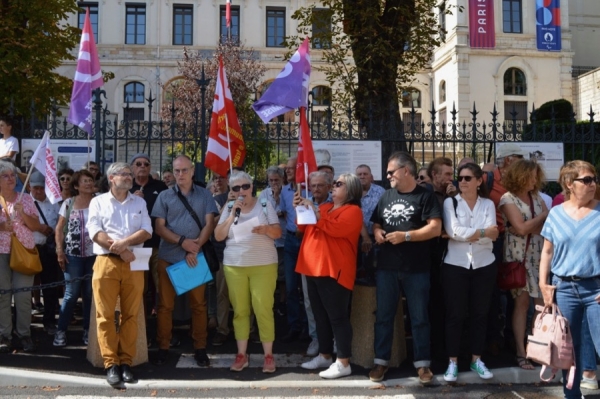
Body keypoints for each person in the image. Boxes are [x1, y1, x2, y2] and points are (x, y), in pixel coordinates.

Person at [369, 151, 442, 384]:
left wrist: (406, 236)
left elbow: (434, 229)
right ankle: (381, 362)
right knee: (384, 316)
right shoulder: (386, 196)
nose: (388, 175)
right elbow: (376, 222)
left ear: (406, 171)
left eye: (391, 171)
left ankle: (423, 365)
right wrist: (378, 232)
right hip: (387, 267)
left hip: (416, 268)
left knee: (419, 317)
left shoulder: (425, 196)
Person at [86, 162, 152, 386]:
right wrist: (122, 250)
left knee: (131, 315)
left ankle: (126, 362)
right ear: (111, 178)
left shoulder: (140, 202)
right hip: (106, 262)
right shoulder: (98, 201)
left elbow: (147, 230)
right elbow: (95, 231)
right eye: (123, 174)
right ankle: (110, 363)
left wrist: (124, 245)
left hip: (133, 264)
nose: (129, 177)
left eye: (129, 174)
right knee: (105, 315)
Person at [539, 160, 600, 399]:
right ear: (568, 183)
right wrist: (544, 284)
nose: (592, 184)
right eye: (586, 180)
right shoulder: (555, 213)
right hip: (563, 288)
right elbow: (547, 251)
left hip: (595, 287)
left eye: (594, 179)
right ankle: (571, 396)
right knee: (566, 350)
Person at [152, 155, 218, 367]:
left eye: (184, 170)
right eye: (176, 171)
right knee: (164, 306)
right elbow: (159, 227)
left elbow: (210, 223)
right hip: (169, 258)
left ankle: (200, 347)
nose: (180, 174)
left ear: (192, 171)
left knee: (199, 306)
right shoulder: (164, 196)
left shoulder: (205, 194)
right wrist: (183, 243)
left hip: (194, 259)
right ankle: (163, 347)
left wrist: (195, 246)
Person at [295, 173, 363, 379]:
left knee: (337, 318)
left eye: (338, 184)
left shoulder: (353, 211)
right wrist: (300, 207)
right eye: (334, 183)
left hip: (334, 271)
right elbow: (302, 226)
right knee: (320, 316)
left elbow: (334, 229)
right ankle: (325, 355)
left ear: (350, 190)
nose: (333, 186)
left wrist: (315, 212)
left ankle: (343, 362)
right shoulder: (324, 208)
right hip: (312, 268)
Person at [214, 171, 281, 373]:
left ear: (252, 187)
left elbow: (278, 232)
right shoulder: (229, 207)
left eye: (245, 186)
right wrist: (232, 213)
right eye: (236, 188)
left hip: (263, 265)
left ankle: (268, 356)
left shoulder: (264, 205)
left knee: (263, 309)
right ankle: (241, 355)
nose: (241, 191)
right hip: (235, 265)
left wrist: (265, 230)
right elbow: (218, 236)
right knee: (240, 311)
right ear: (231, 190)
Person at [441, 163, 499, 382]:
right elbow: (454, 231)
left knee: (480, 314)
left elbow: (494, 233)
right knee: (455, 315)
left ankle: (476, 359)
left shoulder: (488, 205)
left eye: (467, 178)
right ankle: (452, 362)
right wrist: (482, 232)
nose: (462, 182)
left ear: (478, 180)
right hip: (456, 265)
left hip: (484, 264)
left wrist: (472, 234)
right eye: (460, 178)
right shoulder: (450, 203)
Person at [498, 159, 549, 370]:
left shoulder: (536, 197)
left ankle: (535, 348)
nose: (535, 180)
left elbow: (545, 228)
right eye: (531, 176)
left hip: (539, 256)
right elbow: (520, 228)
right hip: (518, 257)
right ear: (521, 176)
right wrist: (543, 216)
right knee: (522, 304)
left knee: (540, 305)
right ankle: (520, 351)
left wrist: (531, 226)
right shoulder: (507, 199)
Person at [0, 161, 41, 352]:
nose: (11, 178)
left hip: (24, 251)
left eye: (13, 175)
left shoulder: (25, 198)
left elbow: (35, 226)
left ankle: (24, 334)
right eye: (6, 175)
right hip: (1, 253)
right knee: (3, 295)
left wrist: (23, 213)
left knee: (23, 295)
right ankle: (5, 334)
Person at [54, 170, 97, 347]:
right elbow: (59, 229)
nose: (88, 183)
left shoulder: (99, 201)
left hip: (95, 255)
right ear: (76, 186)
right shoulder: (68, 203)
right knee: (71, 295)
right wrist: (59, 251)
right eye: (84, 181)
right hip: (73, 256)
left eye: (90, 180)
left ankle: (88, 330)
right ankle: (61, 331)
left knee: (89, 294)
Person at [129, 153, 168, 316]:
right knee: (140, 288)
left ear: (150, 167)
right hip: (138, 247)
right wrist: (132, 200)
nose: (142, 166)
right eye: (138, 164)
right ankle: (142, 330)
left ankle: (162, 329)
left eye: (146, 164)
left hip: (159, 245)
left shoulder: (160, 187)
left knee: (162, 288)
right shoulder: (127, 188)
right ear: (132, 168)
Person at [29, 171, 62, 336]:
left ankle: (49, 321)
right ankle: (24, 323)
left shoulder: (54, 203)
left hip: (48, 250)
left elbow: (59, 224)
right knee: (26, 288)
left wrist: (53, 232)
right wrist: (39, 227)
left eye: (41, 188)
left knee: (50, 287)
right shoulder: (24, 202)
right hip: (29, 249)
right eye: (35, 188)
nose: (38, 191)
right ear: (30, 187)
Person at [279, 157, 308, 343]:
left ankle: (308, 327)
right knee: (291, 288)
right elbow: (283, 213)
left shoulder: (309, 190)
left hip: (306, 240)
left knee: (306, 288)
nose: (288, 171)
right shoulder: (284, 191)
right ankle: (294, 326)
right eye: (287, 169)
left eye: (291, 169)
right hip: (290, 241)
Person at [258, 166, 287, 323]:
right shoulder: (263, 194)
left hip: (284, 240)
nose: (274, 183)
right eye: (271, 180)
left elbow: (287, 212)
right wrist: (278, 212)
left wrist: (277, 200)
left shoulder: (287, 192)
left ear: (282, 179)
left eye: (276, 180)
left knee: (282, 274)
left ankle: (282, 301)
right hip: (269, 241)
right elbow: (264, 215)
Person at [355, 164, 385, 285]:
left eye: (365, 174)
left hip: (374, 238)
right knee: (356, 271)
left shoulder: (380, 192)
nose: (362, 177)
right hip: (355, 238)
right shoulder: (351, 192)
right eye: (359, 174)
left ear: (371, 177)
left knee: (373, 272)